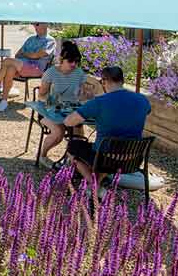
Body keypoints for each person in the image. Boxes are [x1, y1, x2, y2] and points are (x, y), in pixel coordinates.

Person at [62, 65, 152, 196]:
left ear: (104, 81)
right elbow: (145, 112)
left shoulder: (99, 102)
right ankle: (97, 180)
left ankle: (94, 184)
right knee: (105, 149)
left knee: (72, 146)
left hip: (105, 159)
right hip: (133, 158)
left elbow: (68, 122)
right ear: (122, 81)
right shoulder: (142, 100)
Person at [35, 40, 88, 167]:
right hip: (49, 111)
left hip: (70, 110)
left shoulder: (79, 73)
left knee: (79, 134)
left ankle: (71, 161)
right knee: (58, 133)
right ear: (62, 59)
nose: (74, 64)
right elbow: (41, 95)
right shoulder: (51, 73)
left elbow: (82, 95)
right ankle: (42, 156)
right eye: (71, 61)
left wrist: (85, 95)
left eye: (76, 61)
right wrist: (53, 100)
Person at [0, 23, 56, 112]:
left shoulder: (50, 40)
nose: (34, 26)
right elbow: (18, 54)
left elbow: (37, 55)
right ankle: (4, 100)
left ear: (45, 25)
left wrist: (26, 55)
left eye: (37, 24)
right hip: (24, 65)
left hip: (36, 68)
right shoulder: (31, 39)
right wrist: (29, 55)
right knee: (10, 68)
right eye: (34, 24)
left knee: (7, 61)